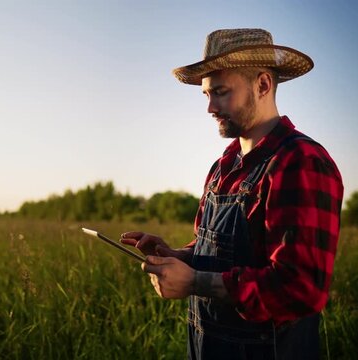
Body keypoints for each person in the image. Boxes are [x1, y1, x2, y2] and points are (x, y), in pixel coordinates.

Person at [120, 28, 343, 359]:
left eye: (221, 92)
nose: (210, 107)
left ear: (263, 85)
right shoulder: (222, 166)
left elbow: (300, 289)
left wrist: (195, 282)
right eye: (206, 95)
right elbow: (219, 249)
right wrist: (178, 256)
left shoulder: (300, 162)